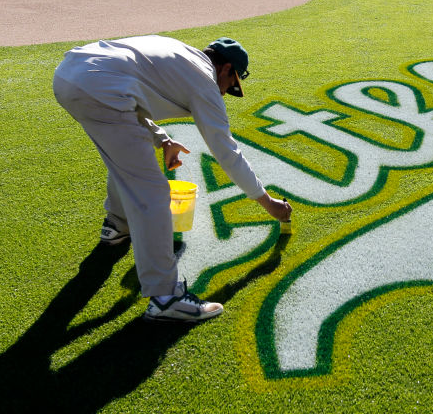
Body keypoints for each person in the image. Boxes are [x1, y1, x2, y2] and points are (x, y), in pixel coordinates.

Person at [53, 35, 292, 322]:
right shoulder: (204, 80)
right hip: (100, 88)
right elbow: (226, 151)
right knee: (152, 193)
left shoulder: (180, 54)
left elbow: (128, 93)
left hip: (69, 75)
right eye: (232, 84)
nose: (227, 92)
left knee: (129, 162)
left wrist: (163, 140)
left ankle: (117, 226)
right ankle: (167, 298)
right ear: (227, 68)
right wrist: (268, 203)